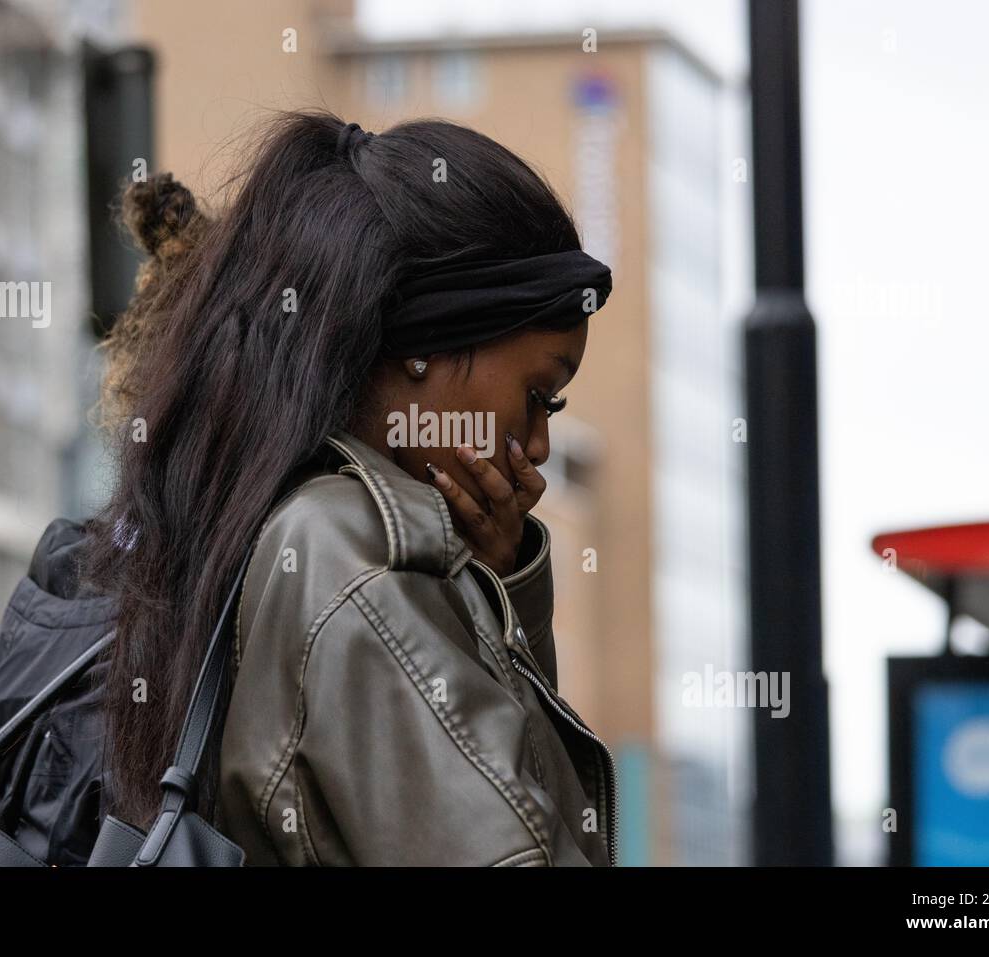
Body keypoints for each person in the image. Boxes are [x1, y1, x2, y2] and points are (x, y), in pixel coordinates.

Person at [83, 110, 616, 866]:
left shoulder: (265, 525)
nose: (537, 447)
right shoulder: (353, 556)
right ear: (427, 344)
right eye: (540, 394)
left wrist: (495, 588)